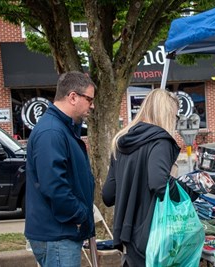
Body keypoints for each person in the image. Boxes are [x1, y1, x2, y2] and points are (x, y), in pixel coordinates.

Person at [102, 89, 201, 267]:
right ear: (167, 113)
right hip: (153, 235)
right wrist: (189, 192)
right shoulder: (160, 141)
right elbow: (158, 183)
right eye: (174, 116)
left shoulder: (120, 141)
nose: (175, 121)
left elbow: (108, 195)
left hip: (126, 239)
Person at [25, 71, 96, 267]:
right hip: (57, 234)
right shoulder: (52, 132)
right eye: (89, 99)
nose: (92, 105)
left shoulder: (61, 129)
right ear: (73, 97)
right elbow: (54, 186)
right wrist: (80, 215)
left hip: (60, 232)